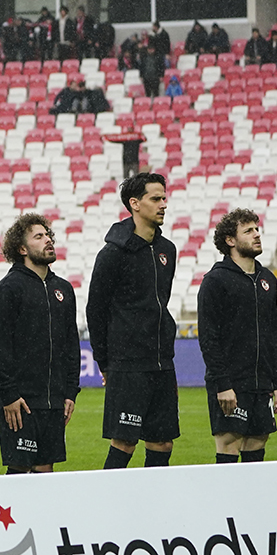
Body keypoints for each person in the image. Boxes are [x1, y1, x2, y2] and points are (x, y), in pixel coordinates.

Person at [86, 172, 178, 469]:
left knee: (162, 443)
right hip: (127, 363)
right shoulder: (113, 253)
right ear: (135, 204)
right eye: (155, 198)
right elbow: (95, 309)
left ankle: (155, 509)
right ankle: (107, 506)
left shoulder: (168, 250)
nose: (163, 204)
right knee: (124, 442)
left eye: (164, 198)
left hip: (162, 362)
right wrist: (105, 361)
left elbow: (160, 302)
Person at [0, 214, 79, 475]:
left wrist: (70, 392)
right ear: (22, 248)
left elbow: (70, 344)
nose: (48, 240)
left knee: (45, 468)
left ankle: (43, 518)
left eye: (48, 235)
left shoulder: (63, 288)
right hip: (20, 399)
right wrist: (8, 394)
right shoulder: (9, 288)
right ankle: (7, 517)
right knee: (20, 467)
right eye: (38, 236)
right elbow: (0, 346)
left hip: (53, 399)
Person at [198, 209, 277, 466]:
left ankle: (253, 506)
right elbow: (208, 339)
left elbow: (273, 335)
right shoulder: (215, 281)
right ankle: (224, 506)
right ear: (230, 240)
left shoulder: (267, 279)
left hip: (262, 384)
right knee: (229, 444)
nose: (257, 234)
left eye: (257, 229)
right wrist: (222, 384)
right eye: (248, 230)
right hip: (231, 384)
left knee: (257, 446)